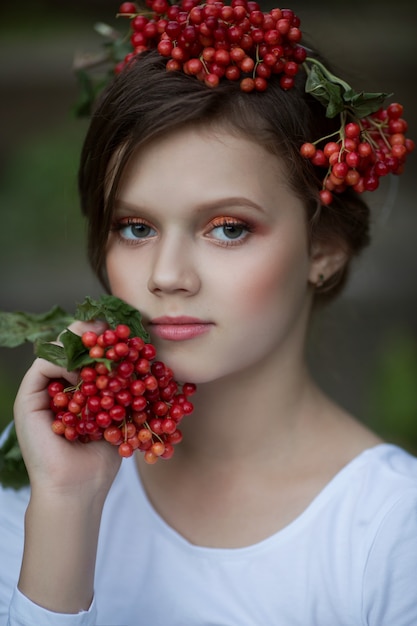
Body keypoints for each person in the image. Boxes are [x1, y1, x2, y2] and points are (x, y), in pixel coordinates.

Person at [1, 1, 416, 624]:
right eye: (135, 227)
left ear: (322, 249)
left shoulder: (391, 532)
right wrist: (64, 507)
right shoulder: (41, 465)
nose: (167, 275)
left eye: (227, 229)